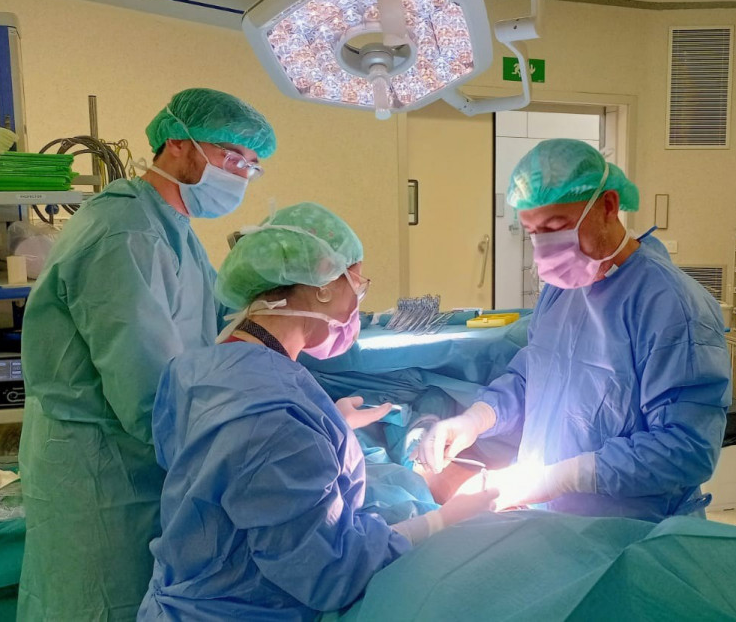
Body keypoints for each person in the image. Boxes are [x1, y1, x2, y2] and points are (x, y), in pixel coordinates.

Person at [137, 203, 497, 620]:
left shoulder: (197, 368)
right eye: (357, 284)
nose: (358, 302)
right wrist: (441, 524)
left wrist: (329, 428)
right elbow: (331, 571)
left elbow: (220, 471)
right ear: (323, 284)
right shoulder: (274, 421)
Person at [18, 88, 276, 620]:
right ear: (177, 144)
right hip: (99, 465)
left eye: (253, 165)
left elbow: (212, 325)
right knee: (97, 600)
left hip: (136, 455)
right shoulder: (124, 233)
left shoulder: (168, 225)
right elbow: (146, 386)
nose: (242, 174)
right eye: (233, 157)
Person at [420, 139, 731, 521]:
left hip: (631, 531)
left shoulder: (671, 306)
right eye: (533, 232)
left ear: (608, 206)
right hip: (553, 518)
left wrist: (572, 475)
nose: (546, 248)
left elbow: (687, 448)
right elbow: (535, 372)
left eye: (557, 227)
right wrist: (477, 419)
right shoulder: (561, 289)